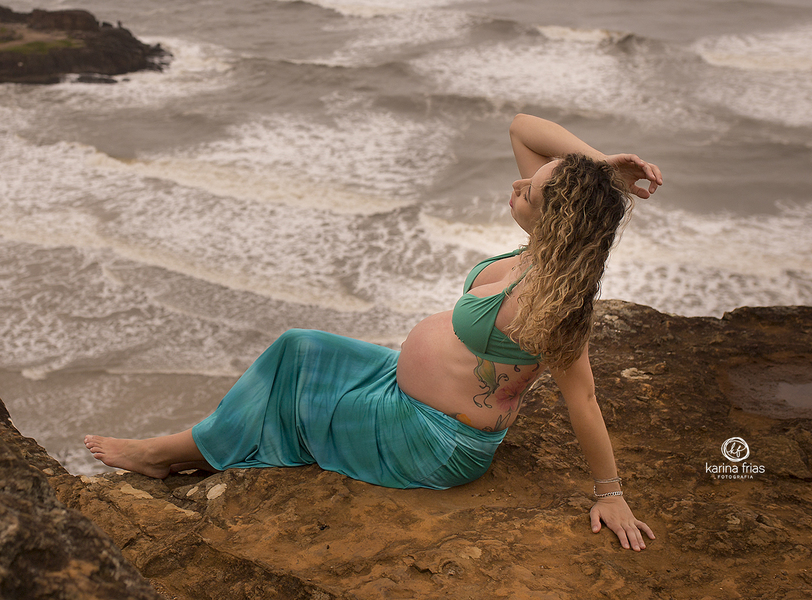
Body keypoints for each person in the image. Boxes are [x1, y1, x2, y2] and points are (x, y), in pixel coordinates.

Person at [85, 113, 662, 551]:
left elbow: (581, 395)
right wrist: (601, 164)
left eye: (529, 191)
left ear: (556, 217)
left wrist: (610, 494)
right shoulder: (542, 245)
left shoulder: (553, 298)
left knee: (303, 401)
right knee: (297, 347)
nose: (518, 186)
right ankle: (197, 445)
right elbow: (523, 127)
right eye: (527, 180)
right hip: (403, 388)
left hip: (433, 440)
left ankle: (169, 454)